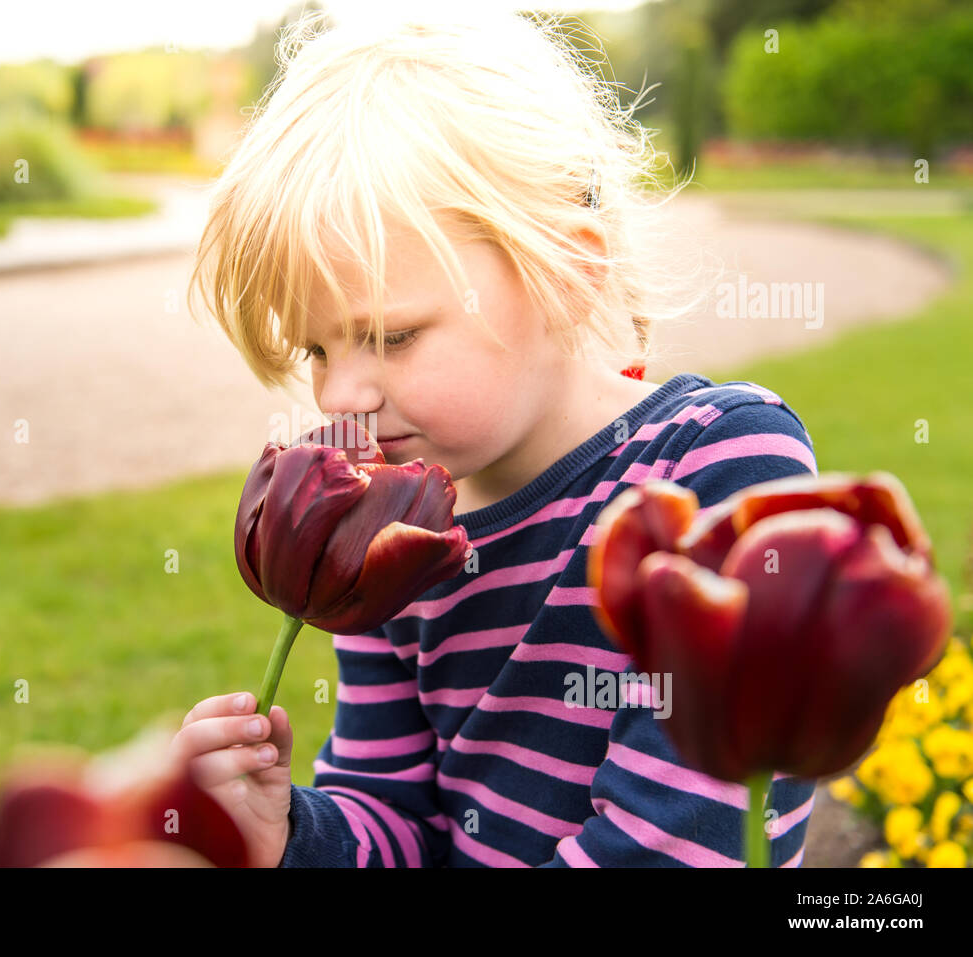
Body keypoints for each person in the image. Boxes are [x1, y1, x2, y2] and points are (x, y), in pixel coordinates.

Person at [172, 10, 818, 867]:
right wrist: (287, 833)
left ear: (568, 270)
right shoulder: (382, 541)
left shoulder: (712, 473)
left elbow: (683, 840)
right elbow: (396, 818)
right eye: (316, 348)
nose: (337, 394)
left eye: (392, 336)